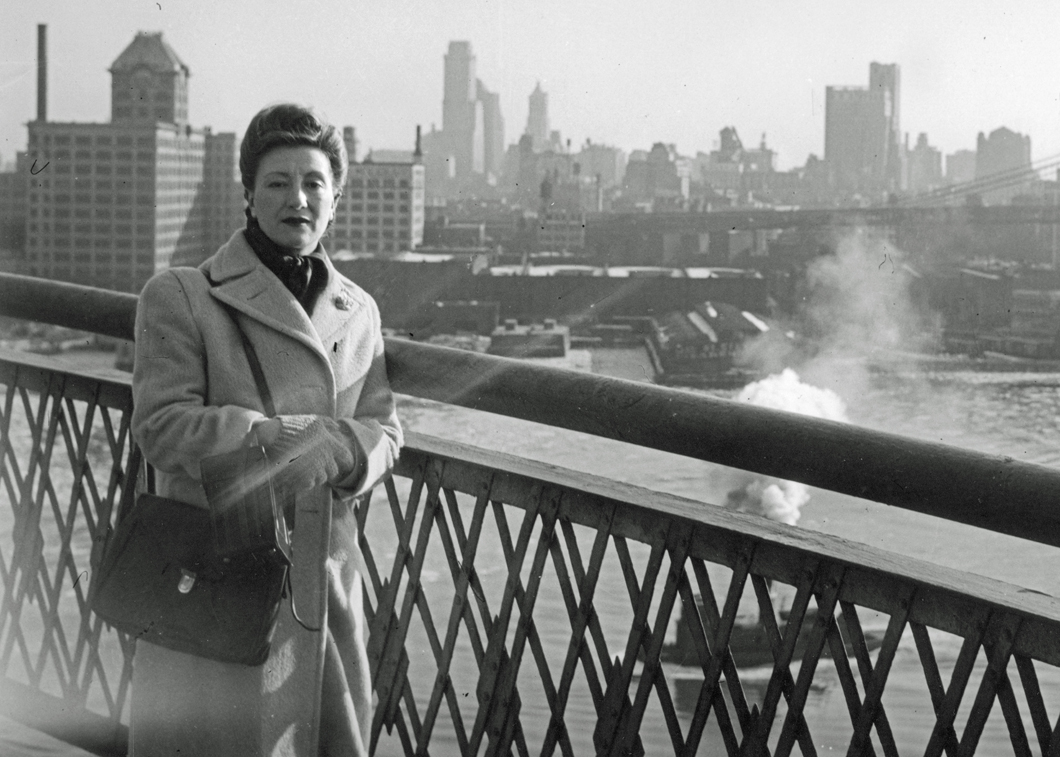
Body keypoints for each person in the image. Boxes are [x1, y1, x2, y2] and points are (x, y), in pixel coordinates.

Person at [130, 103, 402, 755]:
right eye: (277, 182)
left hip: (320, 579)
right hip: (218, 576)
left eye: (314, 183)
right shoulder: (183, 296)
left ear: (335, 197)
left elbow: (384, 428)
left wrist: (346, 448)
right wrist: (266, 435)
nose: (298, 199)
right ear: (248, 194)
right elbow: (160, 428)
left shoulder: (356, 310)